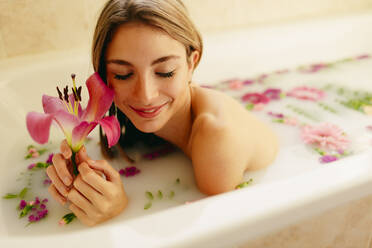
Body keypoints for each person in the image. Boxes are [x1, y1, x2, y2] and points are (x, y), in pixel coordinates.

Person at [46, 0, 278, 227]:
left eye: (165, 72)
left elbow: (211, 237)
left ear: (191, 64)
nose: (146, 95)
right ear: (105, 77)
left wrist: (121, 212)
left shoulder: (216, 141)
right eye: (124, 74)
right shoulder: (143, 116)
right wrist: (79, 171)